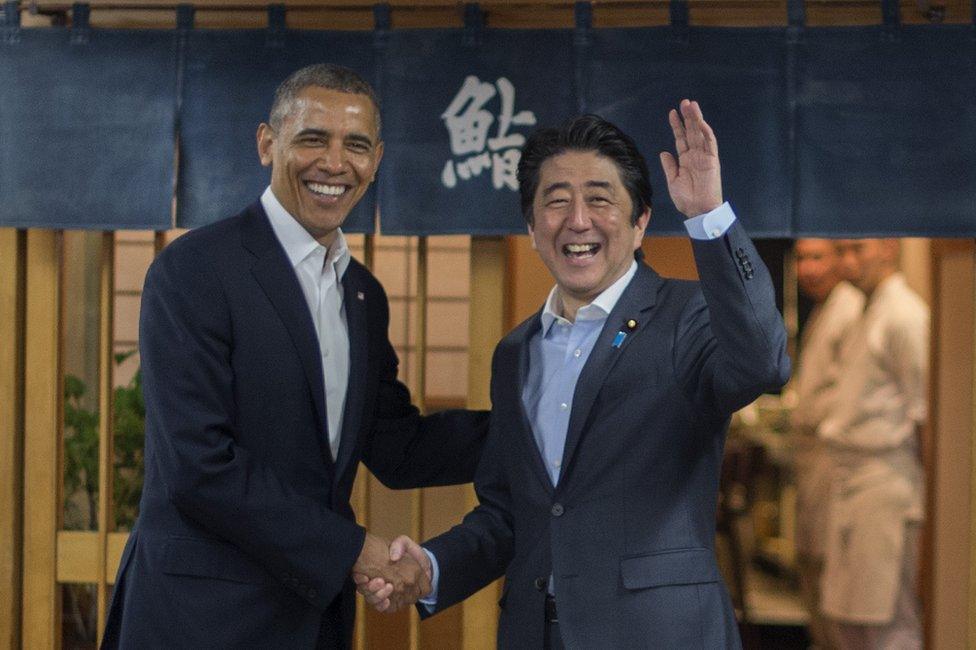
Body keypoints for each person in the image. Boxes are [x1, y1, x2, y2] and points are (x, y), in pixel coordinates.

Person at [357, 102, 790, 648]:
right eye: (556, 202)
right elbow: (513, 514)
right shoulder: (515, 352)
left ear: (640, 223)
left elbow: (763, 361)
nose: (578, 220)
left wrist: (708, 217)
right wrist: (433, 565)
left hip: (657, 632)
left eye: (600, 200)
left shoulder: (688, 315)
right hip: (537, 632)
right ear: (533, 228)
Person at [100, 64, 488, 648]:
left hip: (311, 620)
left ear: (376, 161)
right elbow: (197, 465)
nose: (334, 164)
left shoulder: (362, 294)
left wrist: (539, 427)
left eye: (355, 146)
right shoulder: (195, 270)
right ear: (266, 144)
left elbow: (396, 446)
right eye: (313, 139)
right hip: (198, 617)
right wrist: (353, 549)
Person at [819, 239, 928, 649]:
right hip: (850, 476)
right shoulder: (861, 310)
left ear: (888, 248)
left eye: (858, 250)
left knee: (887, 620)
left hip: (886, 479)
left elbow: (925, 414)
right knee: (848, 620)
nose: (848, 262)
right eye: (842, 251)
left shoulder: (905, 315)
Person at [789, 238, 864, 649]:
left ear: (839, 258)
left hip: (833, 458)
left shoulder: (849, 307)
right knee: (811, 566)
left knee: (828, 571)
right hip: (812, 455)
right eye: (801, 259)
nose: (808, 269)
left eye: (818, 257)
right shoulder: (826, 309)